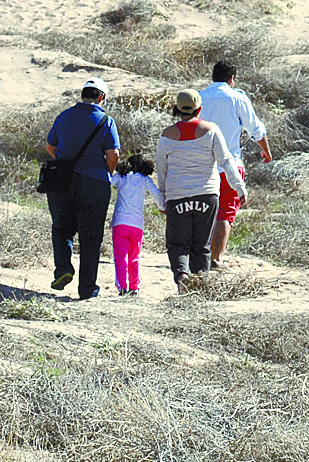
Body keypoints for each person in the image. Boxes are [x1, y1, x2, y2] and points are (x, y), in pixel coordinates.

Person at [155, 89, 246, 291]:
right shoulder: (211, 130)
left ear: (177, 109)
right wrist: (239, 188)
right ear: (200, 109)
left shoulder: (166, 135)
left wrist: (162, 198)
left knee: (178, 245)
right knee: (202, 246)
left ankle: (182, 276)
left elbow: (162, 170)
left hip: (177, 197)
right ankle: (200, 287)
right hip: (207, 196)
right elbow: (226, 161)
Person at [41, 78, 121, 299]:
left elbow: (50, 145)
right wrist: (107, 172)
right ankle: (87, 289)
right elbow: (113, 155)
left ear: (82, 94)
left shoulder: (64, 116)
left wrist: (66, 163)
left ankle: (64, 268)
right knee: (91, 237)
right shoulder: (106, 120)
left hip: (61, 183)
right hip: (94, 183)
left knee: (61, 229)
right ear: (101, 97)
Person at [198, 61, 273, 270]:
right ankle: (216, 258)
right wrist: (266, 150)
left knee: (202, 210)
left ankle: (198, 255)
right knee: (225, 211)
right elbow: (255, 129)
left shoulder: (199, 97)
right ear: (232, 79)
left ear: (212, 77)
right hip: (229, 164)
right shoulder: (237, 98)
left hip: (201, 163)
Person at [111, 154, 159, 297]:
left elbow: (106, 182)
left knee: (120, 258)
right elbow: (157, 196)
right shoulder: (145, 180)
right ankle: (134, 287)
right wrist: (164, 207)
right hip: (137, 224)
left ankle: (122, 287)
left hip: (120, 222)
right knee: (134, 257)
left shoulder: (121, 177)